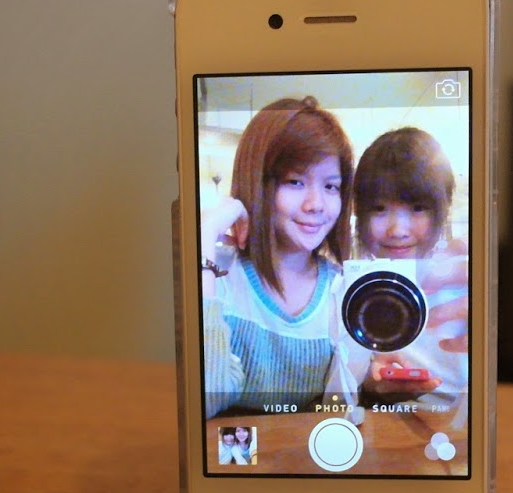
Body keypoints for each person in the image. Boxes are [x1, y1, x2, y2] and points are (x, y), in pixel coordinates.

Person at [200, 97, 355, 417]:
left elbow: (339, 412)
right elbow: (206, 398)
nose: (316, 204)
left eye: (331, 187)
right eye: (295, 182)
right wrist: (205, 234)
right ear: (257, 184)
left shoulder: (342, 291)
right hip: (232, 448)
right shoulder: (220, 279)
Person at [341, 127, 468, 411]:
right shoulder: (346, 284)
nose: (398, 230)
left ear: (443, 209)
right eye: (379, 209)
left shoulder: (461, 279)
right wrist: (372, 386)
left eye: (418, 208)